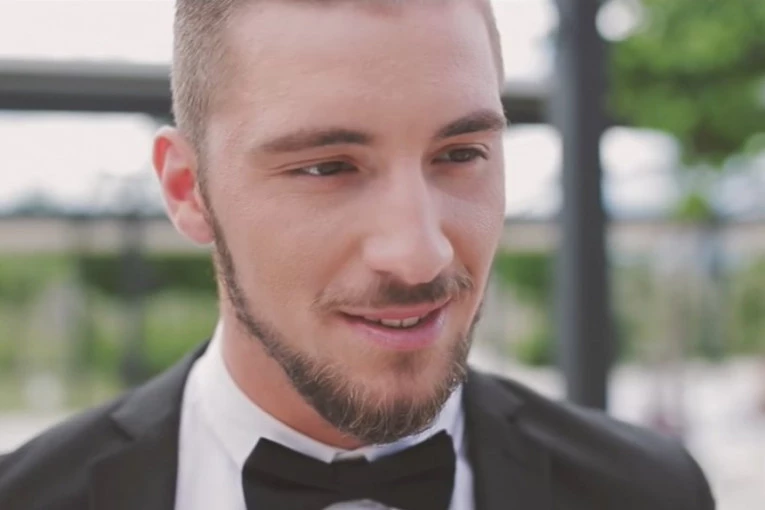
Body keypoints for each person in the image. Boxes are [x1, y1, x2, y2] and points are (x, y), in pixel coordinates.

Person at [0, 1, 715, 509]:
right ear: (188, 190)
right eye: (327, 167)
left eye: (460, 153)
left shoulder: (649, 492)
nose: (418, 254)